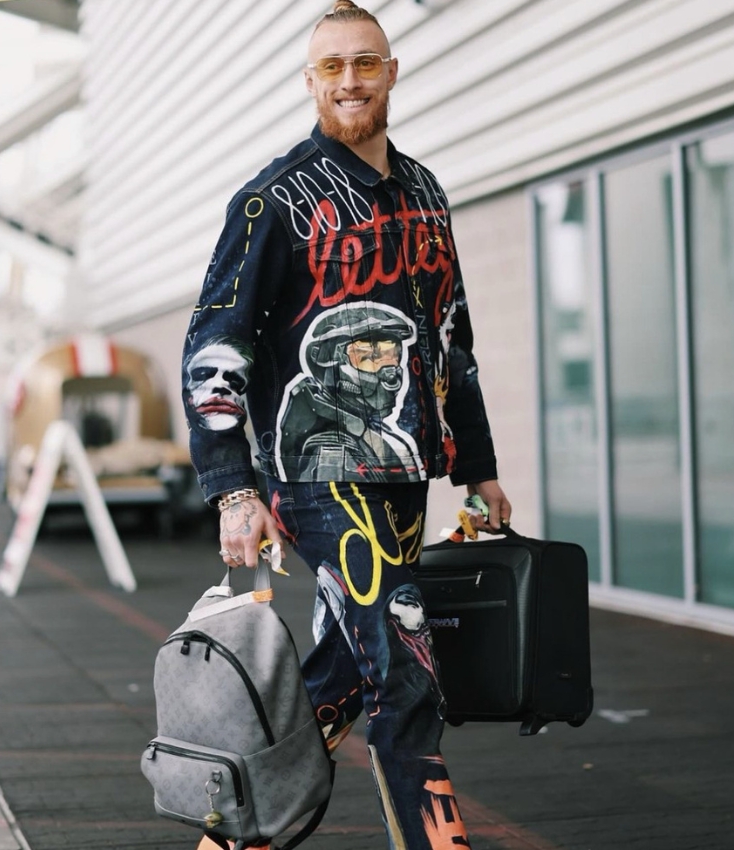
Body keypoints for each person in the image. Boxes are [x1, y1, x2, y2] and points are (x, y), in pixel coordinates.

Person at [183, 2, 512, 847]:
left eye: (365, 63)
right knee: (407, 681)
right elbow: (215, 349)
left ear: (392, 71)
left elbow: (450, 339)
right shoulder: (273, 200)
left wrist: (478, 468)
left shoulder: (426, 192)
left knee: (339, 680)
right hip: (319, 478)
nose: (350, 81)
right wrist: (231, 491)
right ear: (310, 82)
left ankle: (233, 836)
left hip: (403, 477)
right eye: (332, 68)